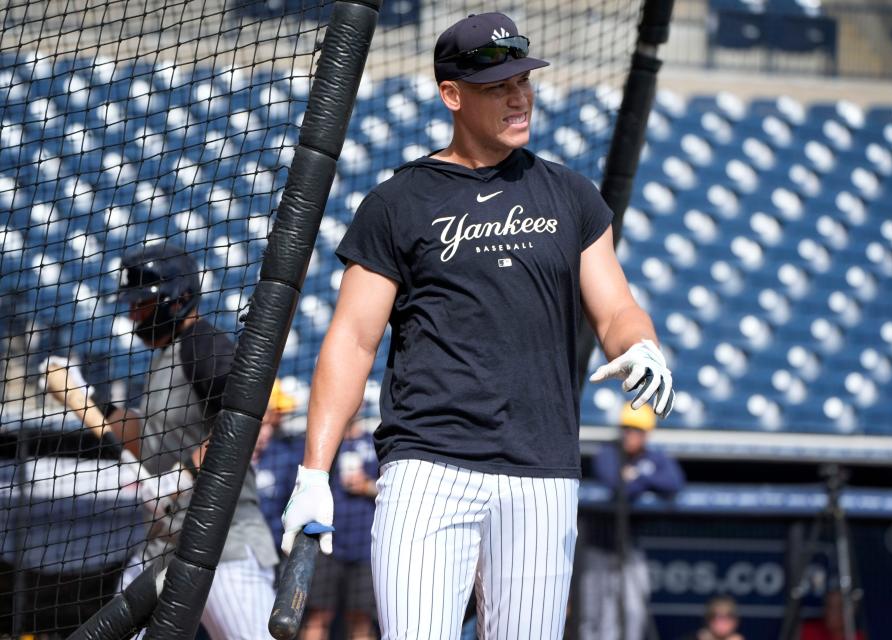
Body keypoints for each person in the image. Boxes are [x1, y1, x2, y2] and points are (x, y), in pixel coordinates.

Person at [281, 11, 676, 640]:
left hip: (541, 474)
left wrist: (642, 343)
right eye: (498, 86)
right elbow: (352, 340)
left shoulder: (570, 195)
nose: (519, 96)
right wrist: (312, 473)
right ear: (452, 95)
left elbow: (616, 307)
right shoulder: (398, 201)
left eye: (523, 81)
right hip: (427, 468)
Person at [68, 243, 277, 639]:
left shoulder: (202, 345)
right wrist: (83, 394)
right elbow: (142, 438)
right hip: (164, 543)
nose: (132, 314)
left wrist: (186, 474)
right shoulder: (164, 356)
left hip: (222, 543)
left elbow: (255, 414)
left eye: (142, 304)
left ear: (178, 298)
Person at [580, 403, 685, 640]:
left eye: (636, 430)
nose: (630, 434)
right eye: (626, 428)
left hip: (628, 548)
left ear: (646, 434)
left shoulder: (653, 456)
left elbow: (674, 482)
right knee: (595, 616)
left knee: (634, 611)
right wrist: (642, 479)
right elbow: (617, 486)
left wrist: (639, 475)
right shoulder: (608, 452)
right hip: (598, 547)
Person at [301, 412, 379, 640]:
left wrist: (366, 486)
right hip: (326, 541)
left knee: (361, 619)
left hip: (365, 545)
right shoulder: (324, 443)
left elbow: (393, 490)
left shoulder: (374, 442)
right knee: (318, 615)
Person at [799, 589, 865, 640]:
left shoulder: (856, 637)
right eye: (829, 606)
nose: (832, 612)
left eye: (840, 607)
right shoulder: (808, 631)